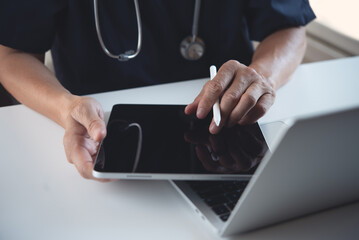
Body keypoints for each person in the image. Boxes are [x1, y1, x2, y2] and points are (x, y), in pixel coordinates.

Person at [0, 0, 315, 180]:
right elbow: (11, 54)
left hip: (229, 146)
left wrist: (261, 77)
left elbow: (288, 27)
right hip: (106, 141)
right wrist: (63, 106)